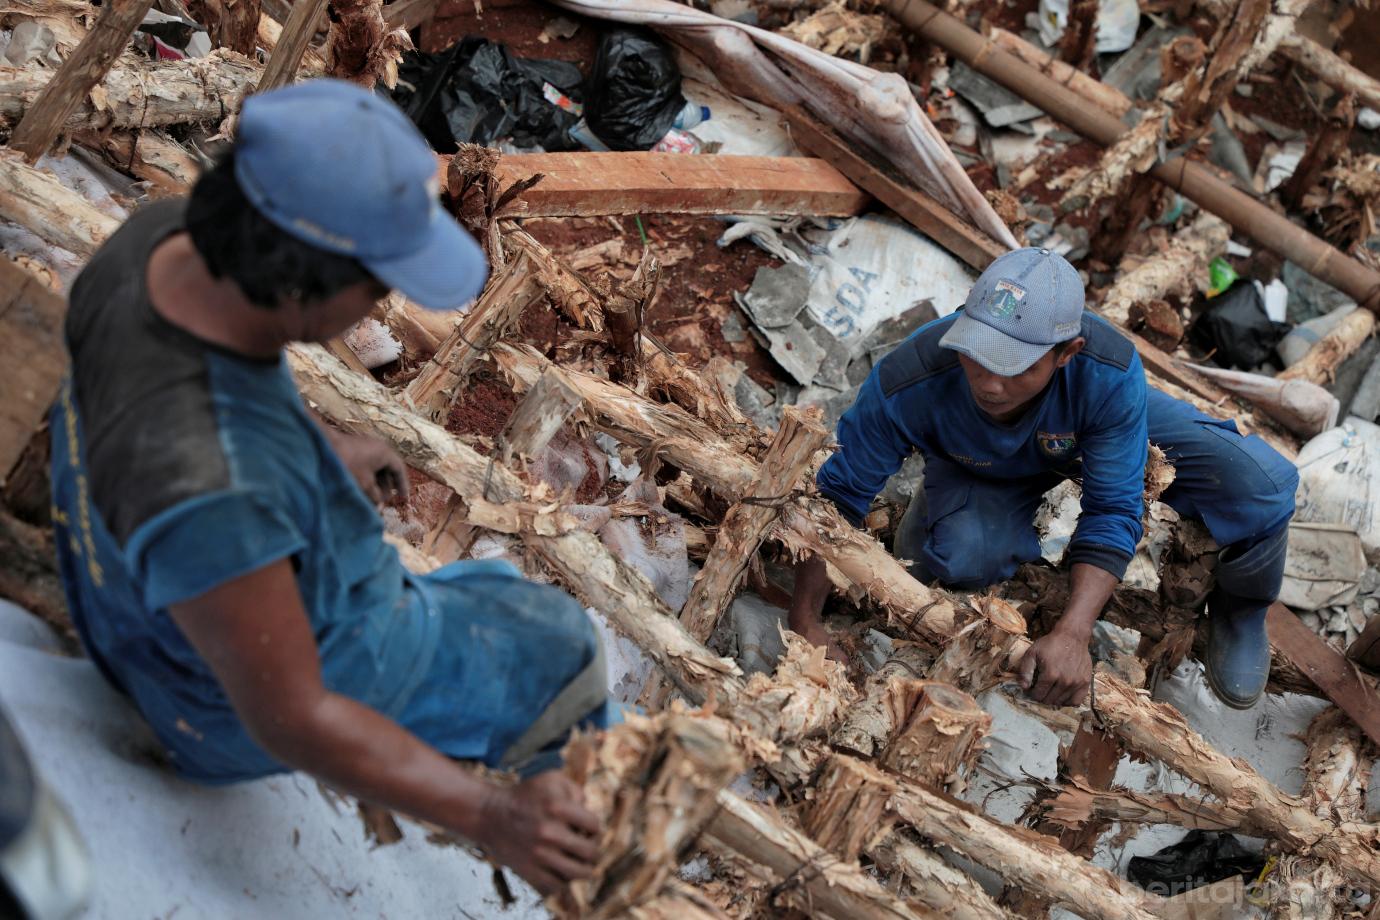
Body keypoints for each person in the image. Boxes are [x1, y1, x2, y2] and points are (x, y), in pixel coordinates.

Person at [49, 79, 613, 896]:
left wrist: (318, 449)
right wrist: (489, 819)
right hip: (204, 703)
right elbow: (293, 716)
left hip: (139, 592)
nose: (383, 301)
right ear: (294, 282)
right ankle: (565, 814)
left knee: (482, 593)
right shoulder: (210, 488)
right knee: (550, 638)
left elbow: (226, 401)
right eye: (376, 281)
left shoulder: (160, 243)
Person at [789, 247, 1297, 710]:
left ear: (1066, 352)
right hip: (983, 462)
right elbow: (837, 498)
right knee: (963, 556)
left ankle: (1241, 610)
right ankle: (941, 509)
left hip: (1091, 421)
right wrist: (806, 620)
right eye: (979, 355)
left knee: (1261, 483)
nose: (990, 383)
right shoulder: (914, 377)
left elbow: (1113, 508)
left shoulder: (1106, 372)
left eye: (1015, 366)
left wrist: (1074, 633)